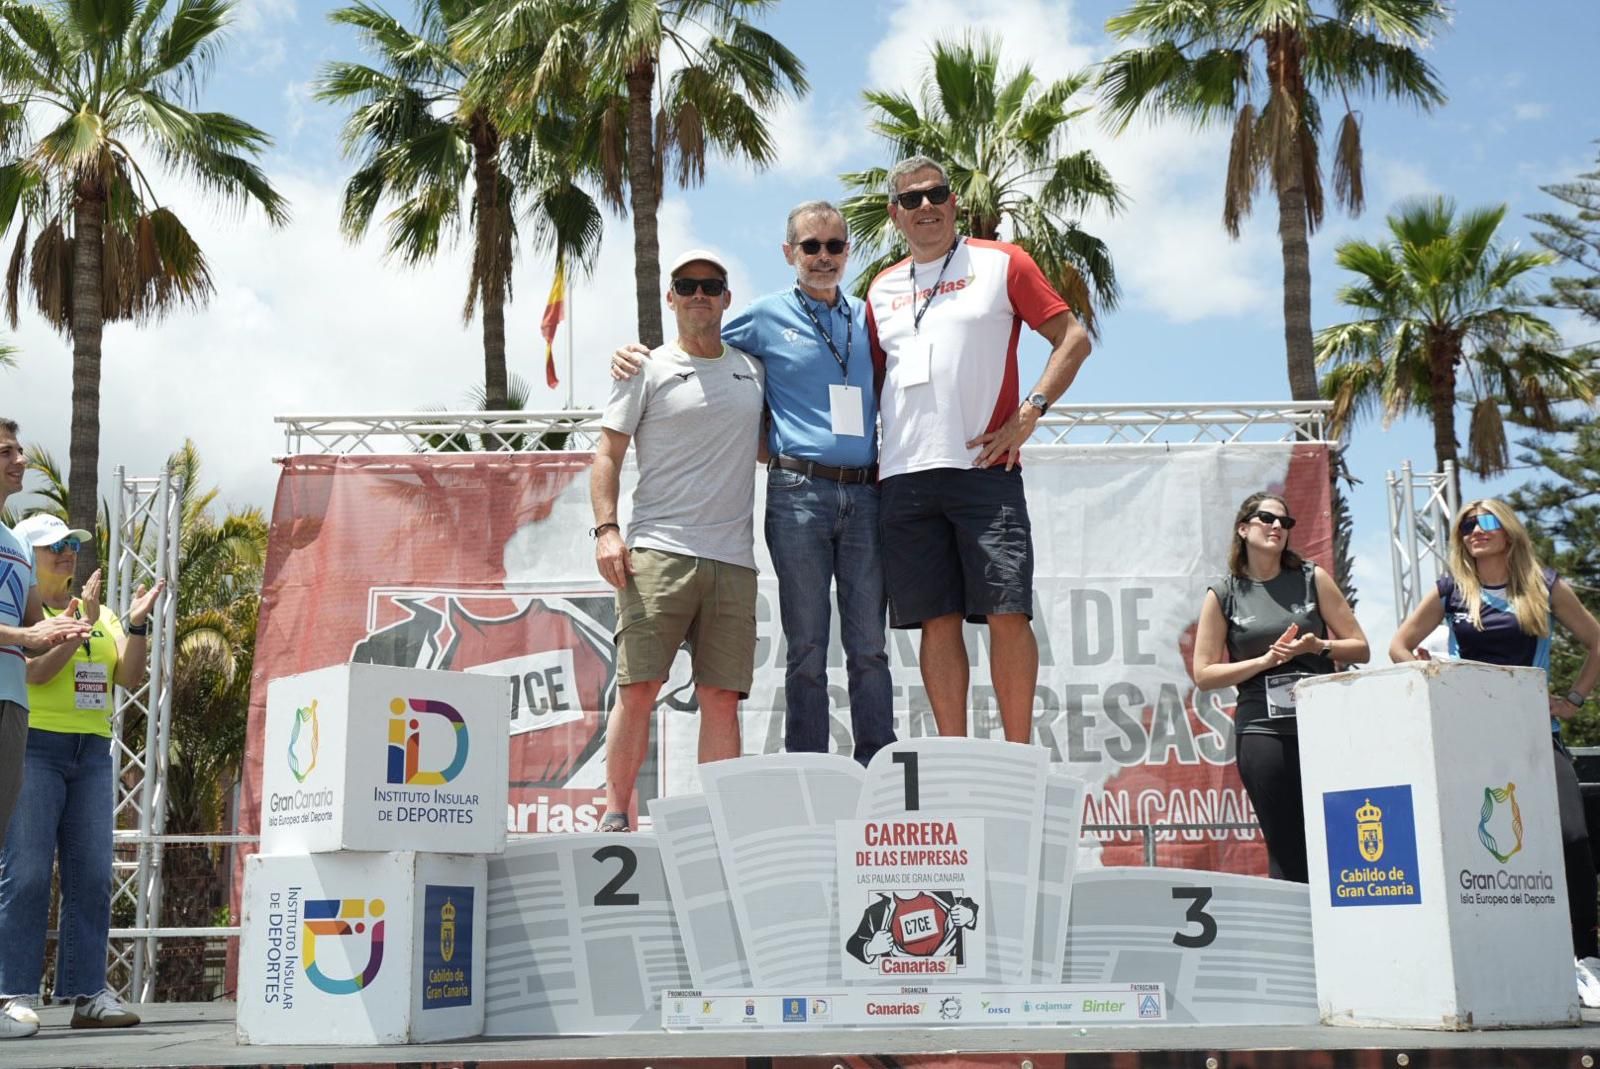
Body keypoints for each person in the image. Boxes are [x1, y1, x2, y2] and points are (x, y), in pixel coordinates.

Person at [612, 201, 896, 766]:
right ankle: (810, 770)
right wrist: (631, 353)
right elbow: (697, 338)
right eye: (810, 247)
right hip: (798, 494)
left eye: (834, 247)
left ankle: (878, 767)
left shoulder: (869, 318)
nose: (822, 257)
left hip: (866, 494)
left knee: (870, 648)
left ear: (847, 253)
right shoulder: (763, 316)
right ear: (789, 254)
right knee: (808, 647)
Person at [863, 155, 1093, 745]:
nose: (925, 207)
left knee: (1006, 612)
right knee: (934, 622)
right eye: (911, 200)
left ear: (955, 201)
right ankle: (954, 752)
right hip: (904, 477)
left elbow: (1074, 338)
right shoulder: (880, 287)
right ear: (895, 215)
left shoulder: (1002, 262)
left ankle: (1017, 752)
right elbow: (871, 379)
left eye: (935, 194)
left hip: (983, 469)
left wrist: (1029, 413)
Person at [1390, 498, 1600, 1007]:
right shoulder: (1450, 591)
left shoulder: (1544, 586)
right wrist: (1425, 670)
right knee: (1473, 848)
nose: (1475, 531)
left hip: (1534, 733)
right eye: (1466, 524)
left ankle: (1585, 957)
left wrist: (1571, 700)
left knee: (1571, 836)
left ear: (1508, 531)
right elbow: (1397, 645)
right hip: (1470, 740)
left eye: (1486, 522)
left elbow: (1597, 641)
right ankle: (1478, 952)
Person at [591, 249, 765, 831]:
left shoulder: (752, 369)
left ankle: (719, 823)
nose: (699, 295)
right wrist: (607, 531)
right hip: (658, 552)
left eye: (710, 286)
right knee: (638, 689)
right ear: (670, 298)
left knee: (722, 699)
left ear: (725, 299)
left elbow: (771, 446)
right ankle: (617, 813)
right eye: (686, 285)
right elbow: (607, 455)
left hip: (734, 560)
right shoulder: (644, 366)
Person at [0, 515, 164, 1031]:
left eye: (73, 544)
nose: (68, 552)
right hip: (36, 746)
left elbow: (129, 675)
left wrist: (134, 624)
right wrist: (78, 629)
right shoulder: (30, 617)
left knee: (93, 875)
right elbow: (36, 672)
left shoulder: (103, 613)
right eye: (55, 546)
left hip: (92, 751)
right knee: (26, 873)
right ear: (29, 556)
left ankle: (87, 992)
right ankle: (13, 991)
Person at [1192, 492, 1369, 883]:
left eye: (1284, 523)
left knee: (1336, 842)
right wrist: (1264, 662)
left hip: (1322, 727)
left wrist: (1317, 645)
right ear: (1243, 528)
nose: (1277, 527)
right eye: (1266, 518)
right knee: (1286, 850)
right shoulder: (1223, 593)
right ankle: (1298, 940)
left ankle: (1346, 935)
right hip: (1263, 732)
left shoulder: (1312, 578)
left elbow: (1362, 647)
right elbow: (1203, 674)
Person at [0, 420, 92, 1041]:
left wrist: (66, 625)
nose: (20, 460)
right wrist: (27, 635)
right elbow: (22, 634)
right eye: (6, 452)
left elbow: (38, 643)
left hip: (13, 709)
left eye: (19, 451)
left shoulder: (10, 540)